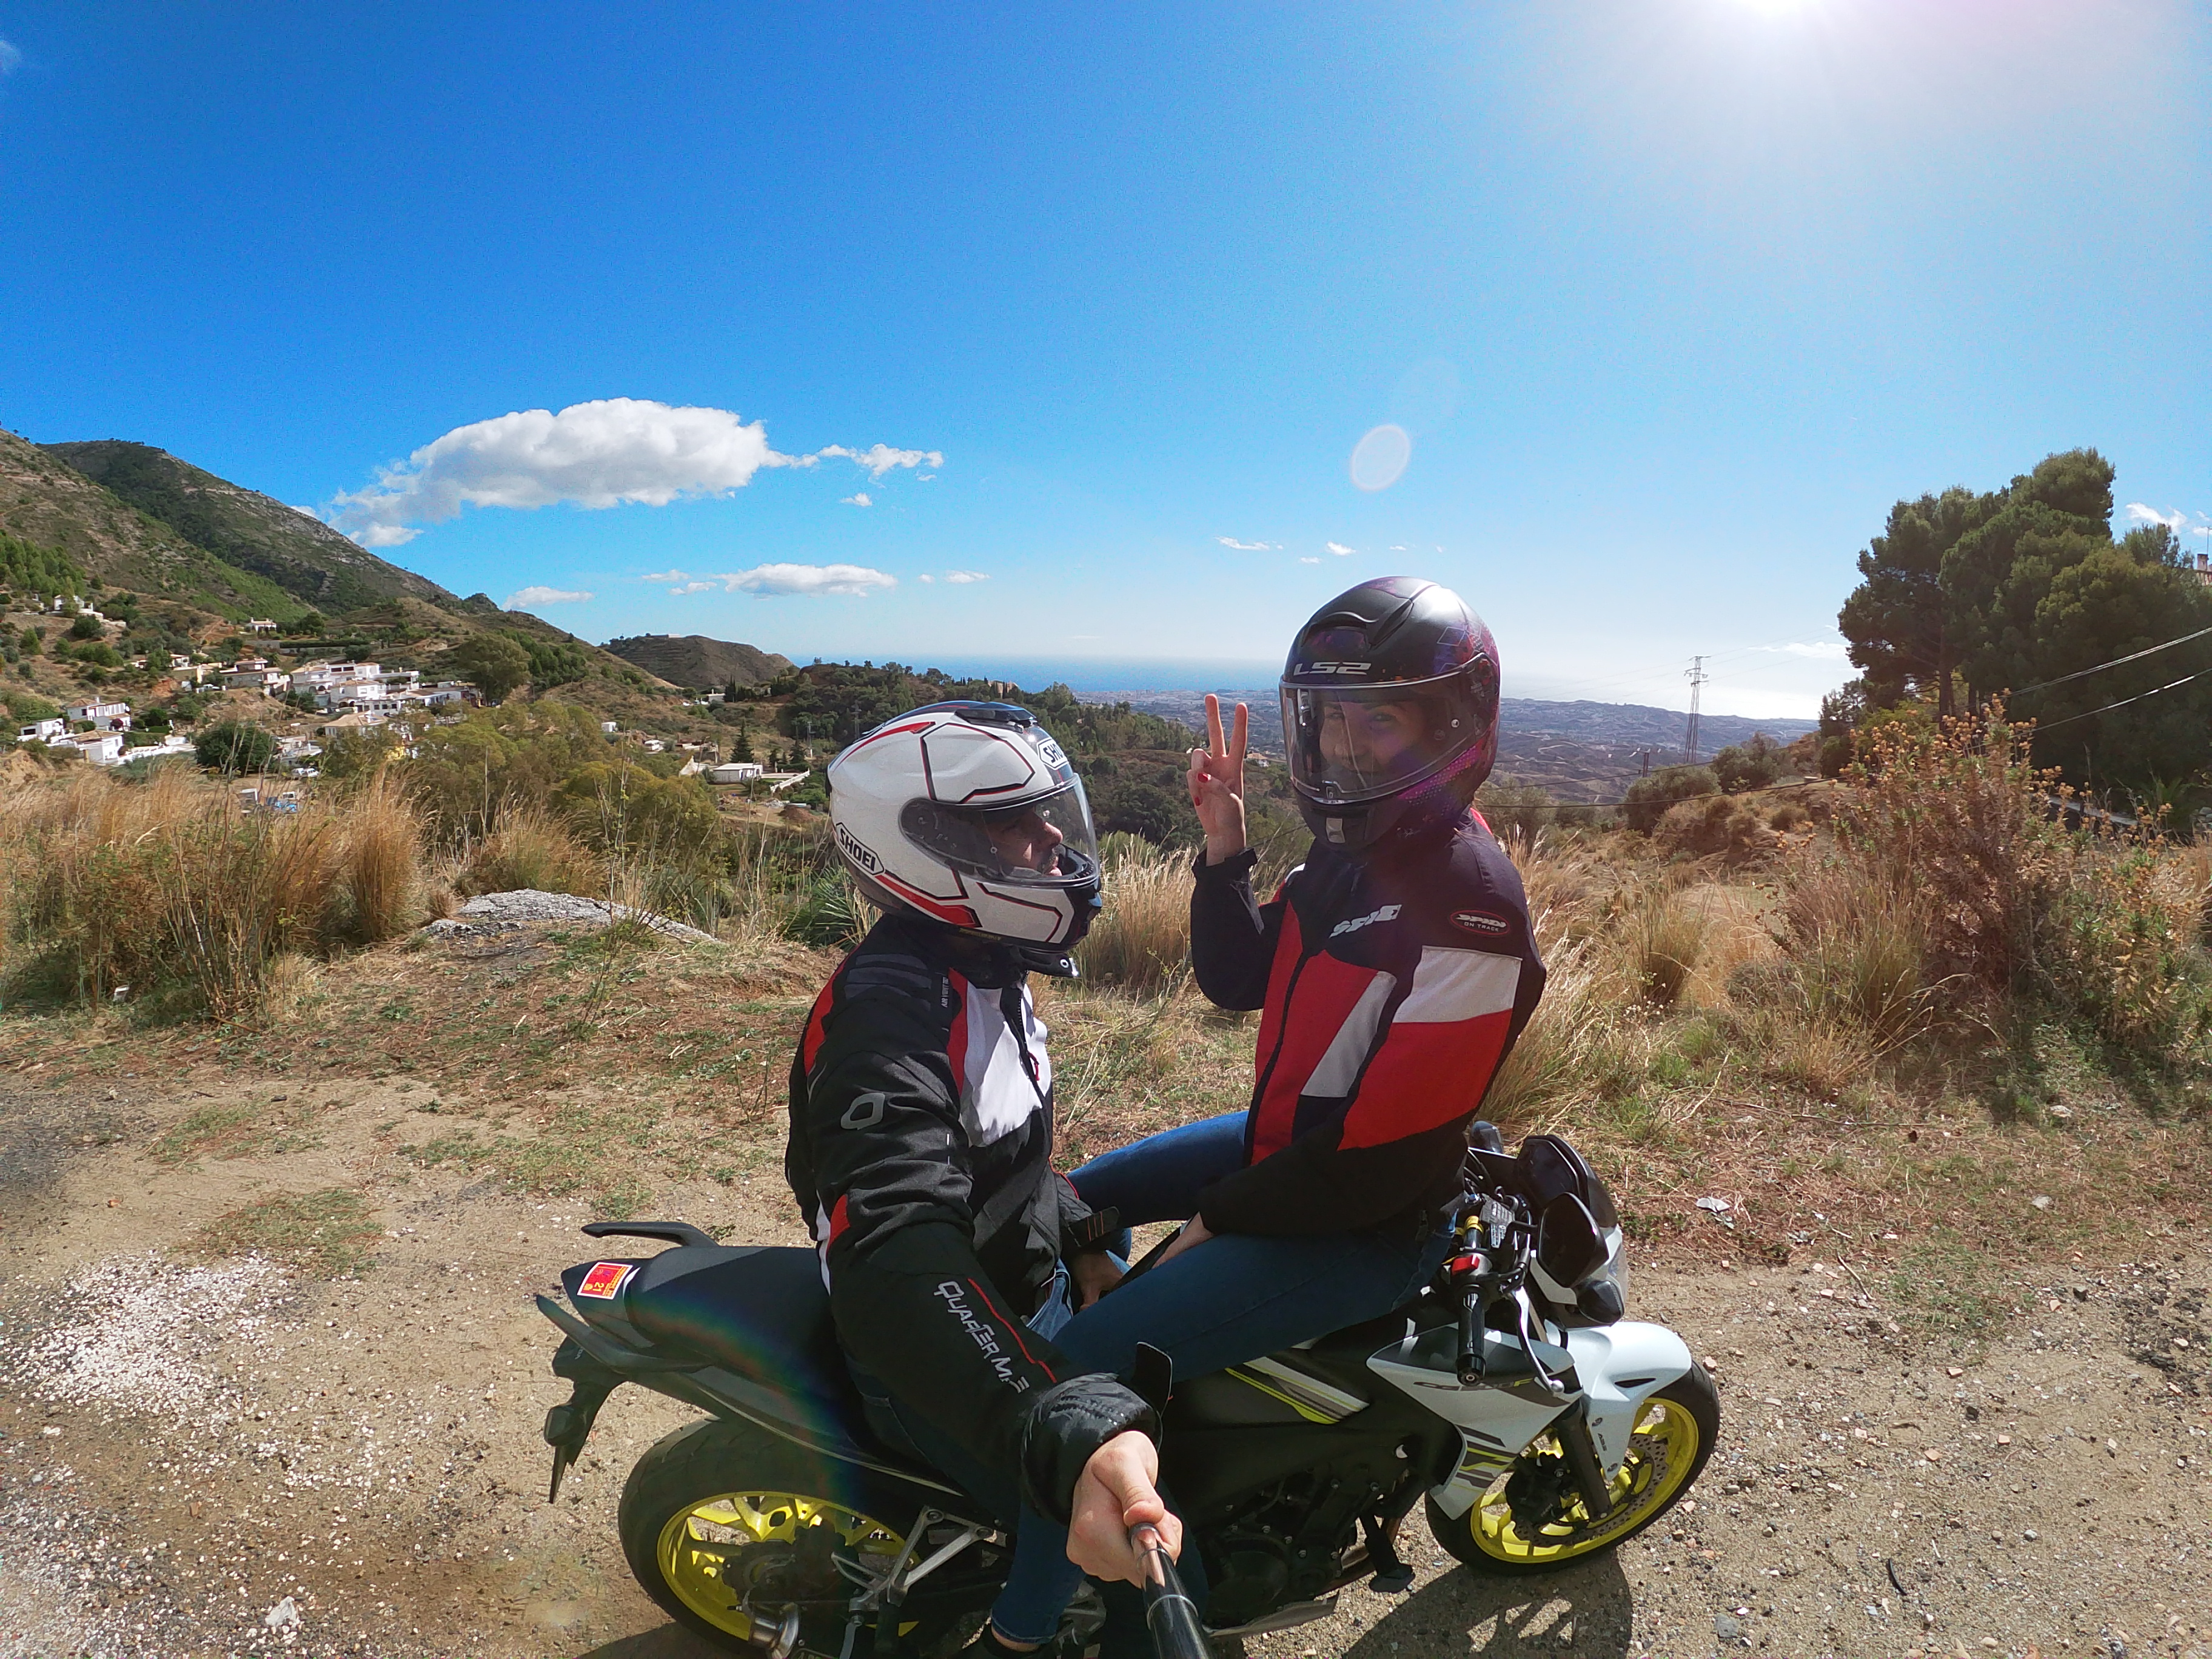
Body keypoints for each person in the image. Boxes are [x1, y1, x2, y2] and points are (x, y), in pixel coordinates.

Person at [980, 575, 1549, 1651]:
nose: (1346, 746)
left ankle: (1027, 1624)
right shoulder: (1350, 857)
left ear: (1454, 728)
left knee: (1081, 1370)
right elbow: (1238, 975)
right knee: (1076, 1203)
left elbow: (1379, 1162)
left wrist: (1221, 1217)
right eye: (1331, 719)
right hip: (1290, 1151)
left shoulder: (1468, 906)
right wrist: (1226, 841)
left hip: (1363, 1223)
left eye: (1380, 719)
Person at [783, 699, 1184, 1641]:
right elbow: (895, 1243)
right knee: (1158, 1575)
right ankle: (1018, 1634)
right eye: (1016, 822)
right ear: (933, 847)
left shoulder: (984, 968)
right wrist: (1056, 1416)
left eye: (1050, 813)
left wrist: (1084, 1242)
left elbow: (1011, 1157)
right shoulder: (885, 1024)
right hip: (938, 1355)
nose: (1054, 840)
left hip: (1023, 1291)